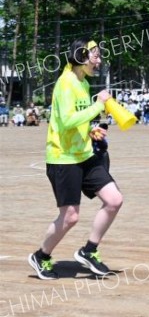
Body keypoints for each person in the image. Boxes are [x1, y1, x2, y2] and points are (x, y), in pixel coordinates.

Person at [28, 38, 123, 280]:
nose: (99, 61)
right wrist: (98, 106)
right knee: (70, 216)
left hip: (85, 154)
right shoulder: (66, 83)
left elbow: (77, 121)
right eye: (95, 56)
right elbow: (68, 120)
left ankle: (89, 251)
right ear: (81, 56)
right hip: (63, 158)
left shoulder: (83, 83)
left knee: (114, 200)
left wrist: (91, 130)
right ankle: (41, 256)